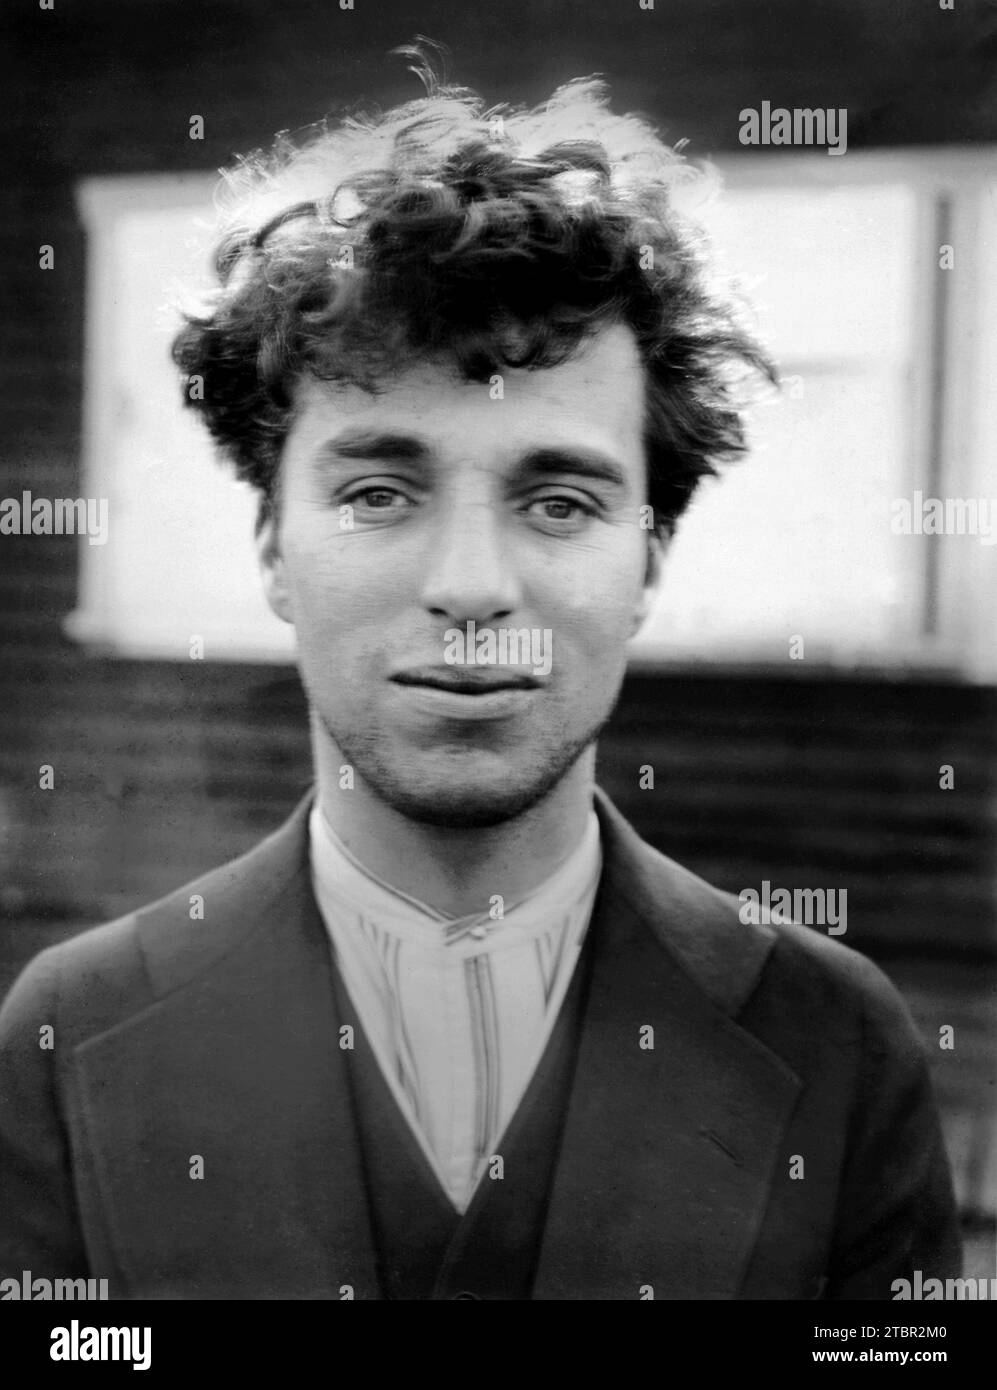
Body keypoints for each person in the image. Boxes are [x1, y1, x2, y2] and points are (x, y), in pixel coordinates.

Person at [0, 72, 961, 1300]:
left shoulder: (833, 1038)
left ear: (647, 564)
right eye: (378, 495)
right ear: (269, 553)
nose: (469, 587)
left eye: (558, 502)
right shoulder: (70, 1030)